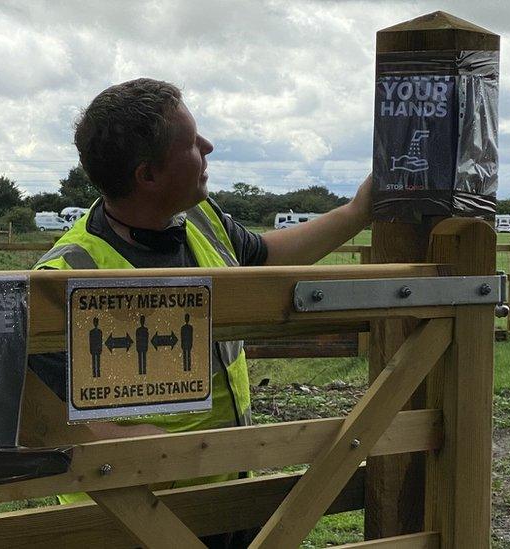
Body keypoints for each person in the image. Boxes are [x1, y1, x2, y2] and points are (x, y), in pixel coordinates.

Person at [29, 78, 372, 547]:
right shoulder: (68, 274)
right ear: (147, 176)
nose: (209, 146)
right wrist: (144, 451)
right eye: (191, 143)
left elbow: (266, 257)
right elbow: (39, 407)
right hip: (133, 517)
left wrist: (358, 211)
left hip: (228, 493)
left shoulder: (202, 219)